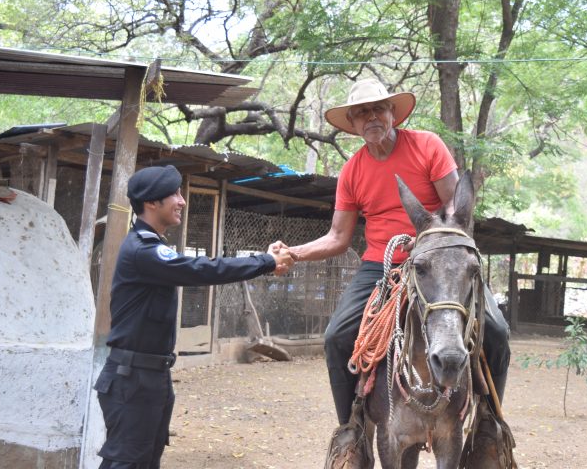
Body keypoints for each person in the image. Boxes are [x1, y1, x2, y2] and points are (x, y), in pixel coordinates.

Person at [285, 78, 511, 455]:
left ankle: (489, 422)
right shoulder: (352, 170)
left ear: (393, 112)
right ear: (353, 124)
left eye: (378, 108)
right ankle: (352, 432)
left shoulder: (427, 146)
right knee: (336, 336)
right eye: (361, 113)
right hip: (381, 264)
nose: (371, 117)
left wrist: (427, 239)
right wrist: (293, 253)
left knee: (498, 330)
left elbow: (455, 209)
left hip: (438, 261)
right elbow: (337, 237)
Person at [93, 164, 294, 469]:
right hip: (133, 379)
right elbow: (202, 269)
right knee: (127, 462)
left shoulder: (151, 246)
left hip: (150, 375)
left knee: (143, 461)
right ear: (151, 203)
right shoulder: (143, 250)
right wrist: (265, 261)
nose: (182, 201)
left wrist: (267, 260)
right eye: (174, 194)